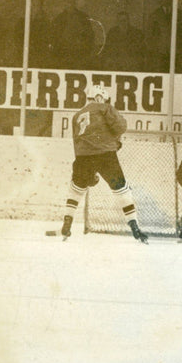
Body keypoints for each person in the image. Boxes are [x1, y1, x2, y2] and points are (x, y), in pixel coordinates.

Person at [60, 84, 148, 244]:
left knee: (76, 189)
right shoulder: (105, 108)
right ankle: (134, 225)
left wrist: (82, 163)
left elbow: (77, 141)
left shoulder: (77, 115)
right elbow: (120, 126)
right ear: (100, 97)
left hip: (82, 157)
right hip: (105, 155)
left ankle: (68, 220)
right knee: (122, 189)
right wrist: (114, 141)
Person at [146, 0, 182, 72]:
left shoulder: (181, 15)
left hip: (177, 55)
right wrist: (155, 51)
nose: (166, 0)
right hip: (159, 55)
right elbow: (149, 36)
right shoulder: (154, 16)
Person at [53, 0, 94, 68]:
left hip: (79, 54)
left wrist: (84, 49)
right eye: (67, 1)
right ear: (64, 3)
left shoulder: (83, 17)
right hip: (63, 54)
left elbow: (89, 36)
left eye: (71, 1)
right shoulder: (59, 18)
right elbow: (55, 37)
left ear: (75, 3)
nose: (69, 4)